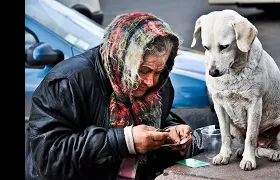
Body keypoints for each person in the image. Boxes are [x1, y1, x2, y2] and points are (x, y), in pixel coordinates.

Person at [25, 12, 203, 180]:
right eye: (144, 70)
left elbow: (157, 121)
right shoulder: (68, 82)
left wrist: (169, 135)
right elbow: (49, 158)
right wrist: (125, 140)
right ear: (120, 61)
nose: (150, 81)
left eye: (158, 72)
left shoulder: (159, 85)